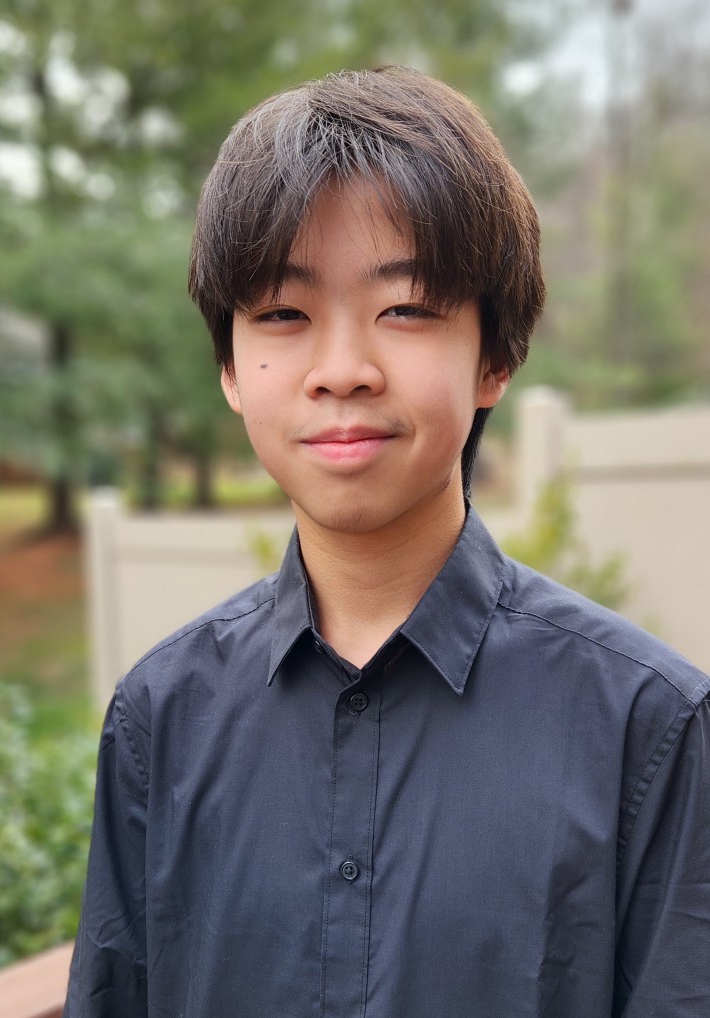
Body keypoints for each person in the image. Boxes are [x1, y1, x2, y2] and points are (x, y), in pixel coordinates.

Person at [64, 66, 710, 1017]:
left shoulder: (650, 730)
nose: (341, 370)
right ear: (232, 369)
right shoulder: (160, 719)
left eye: (404, 307)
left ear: (494, 354)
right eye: (282, 313)